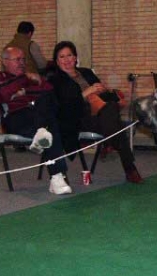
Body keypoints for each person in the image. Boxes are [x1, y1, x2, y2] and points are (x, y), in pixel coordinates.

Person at [48, 41, 143, 184]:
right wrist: (87, 92)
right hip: (77, 119)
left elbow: (103, 95)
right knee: (116, 125)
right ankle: (129, 167)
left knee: (111, 109)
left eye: (70, 55)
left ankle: (109, 141)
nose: (67, 60)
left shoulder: (86, 72)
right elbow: (63, 106)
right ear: (57, 61)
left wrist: (108, 93)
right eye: (62, 57)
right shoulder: (55, 79)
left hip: (100, 114)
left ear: (75, 58)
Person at [0, 46, 72, 195]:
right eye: (17, 59)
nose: (22, 63)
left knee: (48, 106)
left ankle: (56, 174)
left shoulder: (30, 78)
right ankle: (57, 176)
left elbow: (49, 91)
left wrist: (25, 91)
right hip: (15, 118)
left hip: (38, 116)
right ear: (5, 61)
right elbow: (5, 93)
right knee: (50, 127)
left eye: (23, 59)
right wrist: (26, 79)